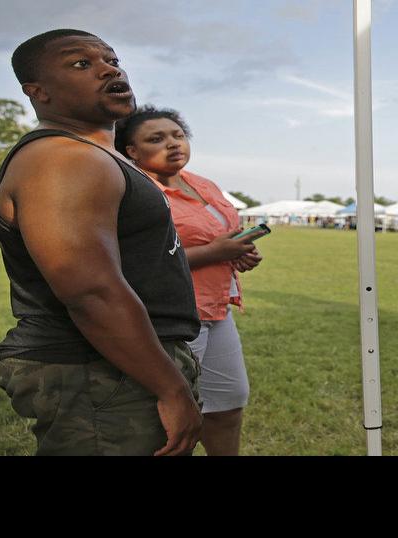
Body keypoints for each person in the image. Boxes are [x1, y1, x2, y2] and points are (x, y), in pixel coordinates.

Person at [0, 29, 202, 456]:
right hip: (98, 372)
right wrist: (171, 388)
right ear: (39, 93)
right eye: (81, 64)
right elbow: (91, 292)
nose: (109, 68)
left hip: (122, 365)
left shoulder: (95, 157)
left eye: (112, 59)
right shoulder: (62, 159)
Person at [115, 106, 262, 456]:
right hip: (171, 315)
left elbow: (222, 236)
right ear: (132, 151)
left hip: (217, 308)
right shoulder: (134, 191)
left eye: (177, 135)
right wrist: (215, 252)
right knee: (174, 417)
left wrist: (239, 251)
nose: (173, 143)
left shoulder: (202, 184)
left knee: (228, 402)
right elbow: (137, 258)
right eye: (156, 139)